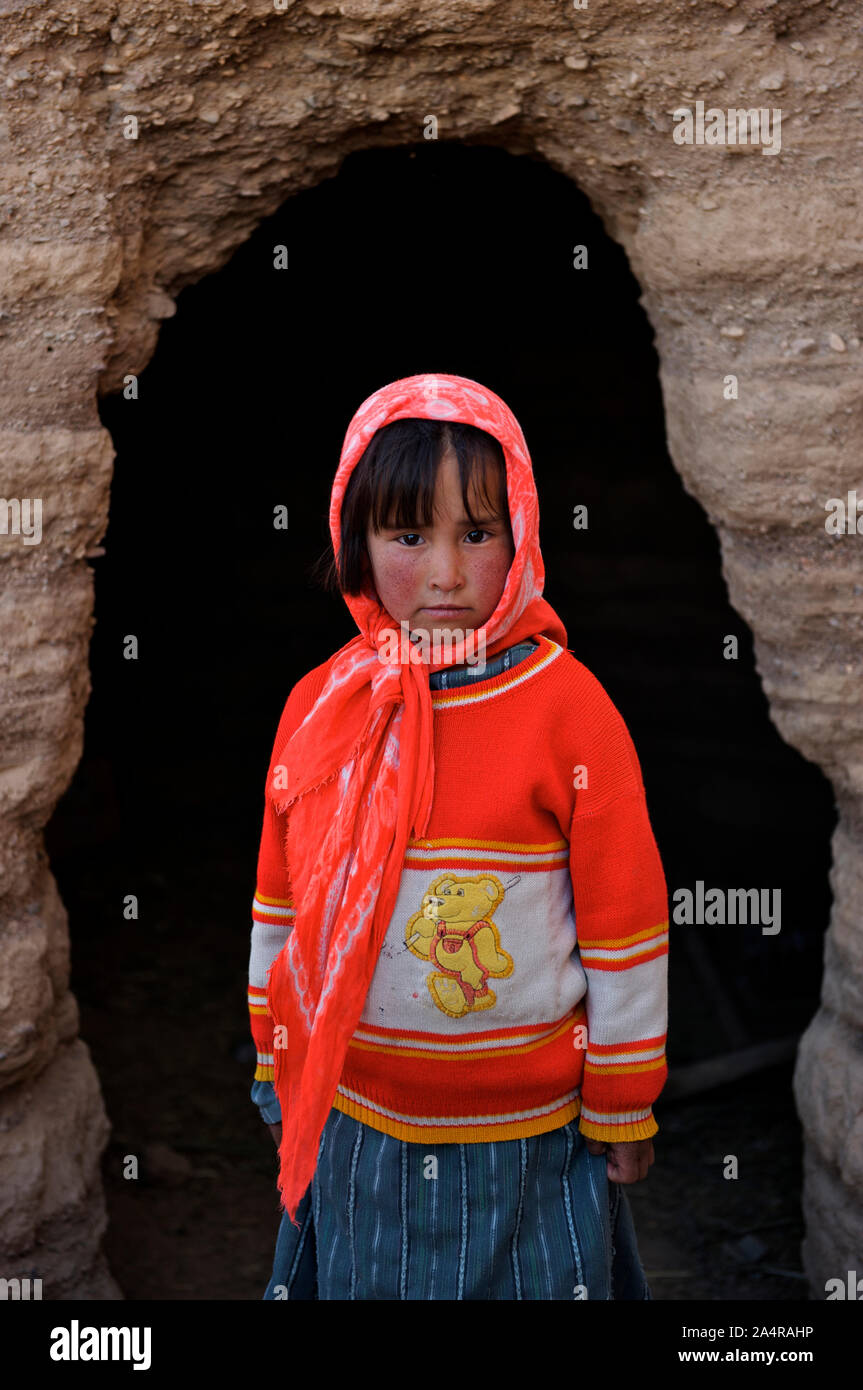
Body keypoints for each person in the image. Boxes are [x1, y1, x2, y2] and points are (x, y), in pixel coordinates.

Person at [247, 372, 669, 1301]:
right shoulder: (321, 710)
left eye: (476, 534)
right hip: (356, 1118)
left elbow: (624, 917)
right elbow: (286, 898)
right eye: (407, 536)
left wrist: (623, 1099)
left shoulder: (567, 710)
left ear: (519, 535)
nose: (444, 573)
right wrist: (279, 1062)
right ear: (353, 542)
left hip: (531, 1135)